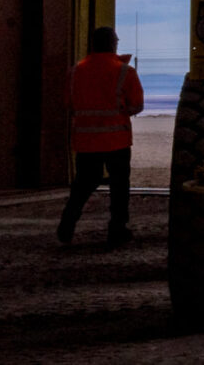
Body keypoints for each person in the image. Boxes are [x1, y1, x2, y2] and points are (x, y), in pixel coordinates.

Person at [57, 26, 144, 247]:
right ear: (114, 44)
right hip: (117, 140)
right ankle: (117, 229)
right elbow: (136, 105)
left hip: (86, 140)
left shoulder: (76, 71)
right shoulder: (125, 71)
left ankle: (67, 223)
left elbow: (68, 104)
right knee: (119, 187)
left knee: (83, 184)